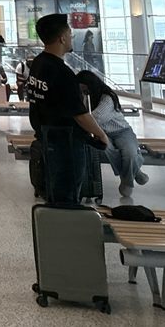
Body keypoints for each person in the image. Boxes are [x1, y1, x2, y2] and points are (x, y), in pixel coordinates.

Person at [28, 14, 109, 205]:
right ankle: (68, 228)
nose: (72, 37)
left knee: (55, 191)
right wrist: (100, 134)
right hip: (66, 142)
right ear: (62, 38)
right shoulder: (62, 73)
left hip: (47, 137)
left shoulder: (38, 64)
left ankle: (58, 226)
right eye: (70, 34)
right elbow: (79, 115)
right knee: (67, 193)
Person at [78, 71, 149, 197]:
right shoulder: (85, 97)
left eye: (85, 89)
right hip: (102, 133)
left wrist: (81, 119)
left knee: (130, 153)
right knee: (108, 150)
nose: (84, 92)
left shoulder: (108, 98)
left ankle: (127, 180)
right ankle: (135, 171)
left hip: (122, 131)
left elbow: (95, 118)